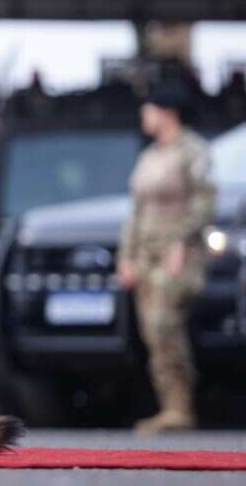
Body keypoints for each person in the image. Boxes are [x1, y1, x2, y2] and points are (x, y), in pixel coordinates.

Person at [116, 79, 215, 433]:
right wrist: (126, 257)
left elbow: (203, 204)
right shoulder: (150, 157)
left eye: (149, 108)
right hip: (146, 254)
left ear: (166, 111)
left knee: (165, 325)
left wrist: (181, 245)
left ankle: (180, 406)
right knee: (151, 333)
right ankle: (168, 405)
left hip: (177, 252)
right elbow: (136, 213)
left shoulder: (192, 151)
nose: (144, 115)